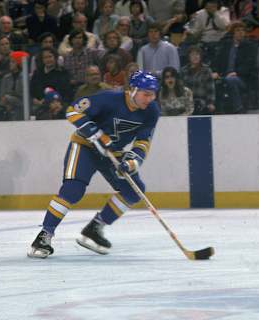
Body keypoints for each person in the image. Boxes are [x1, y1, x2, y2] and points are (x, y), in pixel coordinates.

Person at [28, 70, 160, 258]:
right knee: (73, 189)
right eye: (146, 94)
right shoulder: (109, 99)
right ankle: (44, 235)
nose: (150, 99)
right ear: (132, 90)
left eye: (153, 94)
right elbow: (72, 110)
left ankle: (95, 228)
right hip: (85, 147)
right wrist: (95, 134)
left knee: (133, 190)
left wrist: (132, 162)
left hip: (113, 153)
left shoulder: (151, 111)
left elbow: (143, 141)